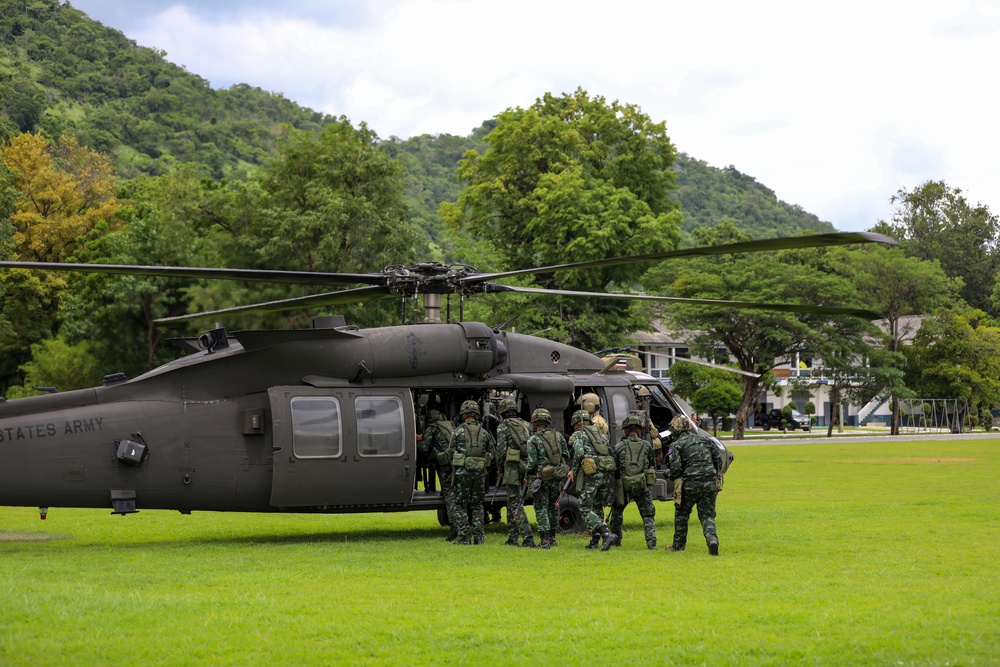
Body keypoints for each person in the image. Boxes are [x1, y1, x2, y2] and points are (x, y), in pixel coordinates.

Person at [665, 414, 723, 555]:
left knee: (682, 514)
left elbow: (676, 470)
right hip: (709, 483)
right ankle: (712, 540)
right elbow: (718, 461)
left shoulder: (676, 445)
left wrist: (668, 474)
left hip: (690, 485)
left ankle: (678, 546)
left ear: (675, 429)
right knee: (707, 515)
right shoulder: (706, 440)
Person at [568, 409, 618, 550]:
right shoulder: (600, 434)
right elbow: (610, 451)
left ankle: (606, 533)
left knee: (584, 507)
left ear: (576, 423)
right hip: (605, 473)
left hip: (592, 474)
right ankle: (595, 542)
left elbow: (578, 454)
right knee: (597, 506)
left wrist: (574, 472)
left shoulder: (579, 434)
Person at [449, 400, 496, 546]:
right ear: (476, 414)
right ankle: (479, 538)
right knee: (477, 505)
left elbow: (450, 453)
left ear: (464, 415)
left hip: (463, 473)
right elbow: (492, 452)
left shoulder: (458, 432)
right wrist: (482, 463)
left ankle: (464, 538)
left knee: (461, 504)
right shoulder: (484, 433)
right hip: (480, 473)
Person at [608, 414, 657, 550]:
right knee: (647, 514)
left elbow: (615, 469)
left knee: (617, 512)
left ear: (625, 430)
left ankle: (616, 541)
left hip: (623, 484)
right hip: (642, 484)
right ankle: (651, 543)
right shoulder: (647, 446)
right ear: (639, 430)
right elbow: (652, 464)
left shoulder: (618, 447)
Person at [525, 407, 570, 549]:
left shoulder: (533, 439)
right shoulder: (559, 436)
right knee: (554, 507)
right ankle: (553, 538)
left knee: (541, 508)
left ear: (535, 422)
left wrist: (527, 475)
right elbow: (566, 455)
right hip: (557, 477)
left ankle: (544, 542)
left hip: (541, 479)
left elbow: (531, 462)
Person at [495, 396, 537, 548]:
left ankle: (528, 538)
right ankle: (512, 537)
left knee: (515, 503)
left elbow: (500, 451)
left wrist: (500, 469)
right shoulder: (526, 425)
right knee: (512, 501)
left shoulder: (502, 427)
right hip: (526, 465)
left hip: (512, 467)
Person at [422, 409, 459, 540]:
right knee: (457, 492)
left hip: (444, 464)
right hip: (457, 461)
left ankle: (455, 525)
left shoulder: (432, 429)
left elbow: (424, 448)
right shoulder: (450, 426)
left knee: (448, 493)